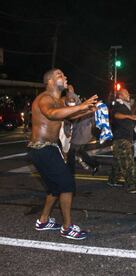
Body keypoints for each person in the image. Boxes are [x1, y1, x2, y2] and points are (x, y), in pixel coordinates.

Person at [28, 68, 98, 240]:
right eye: (60, 75)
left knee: (54, 188)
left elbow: (69, 117)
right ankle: (67, 227)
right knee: (67, 185)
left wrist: (87, 110)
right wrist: (81, 105)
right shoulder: (45, 98)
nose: (65, 77)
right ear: (50, 81)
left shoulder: (58, 101)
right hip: (42, 148)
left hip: (48, 148)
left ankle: (43, 220)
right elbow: (51, 114)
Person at [107, 88, 136, 194]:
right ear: (120, 96)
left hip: (123, 138)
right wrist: (129, 116)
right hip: (121, 138)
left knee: (118, 162)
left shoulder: (125, 105)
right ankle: (132, 186)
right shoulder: (118, 104)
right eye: (126, 93)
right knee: (128, 163)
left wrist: (133, 117)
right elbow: (116, 115)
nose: (128, 95)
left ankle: (112, 180)